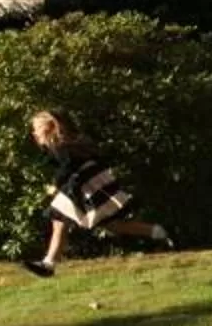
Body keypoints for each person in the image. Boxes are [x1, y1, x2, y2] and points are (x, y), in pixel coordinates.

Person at [20, 110, 174, 277]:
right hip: (92, 183)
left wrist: (55, 184)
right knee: (112, 225)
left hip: (86, 185)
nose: (34, 132)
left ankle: (48, 264)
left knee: (59, 219)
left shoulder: (61, 146)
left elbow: (68, 166)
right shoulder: (68, 142)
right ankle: (160, 232)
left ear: (46, 129)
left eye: (36, 128)